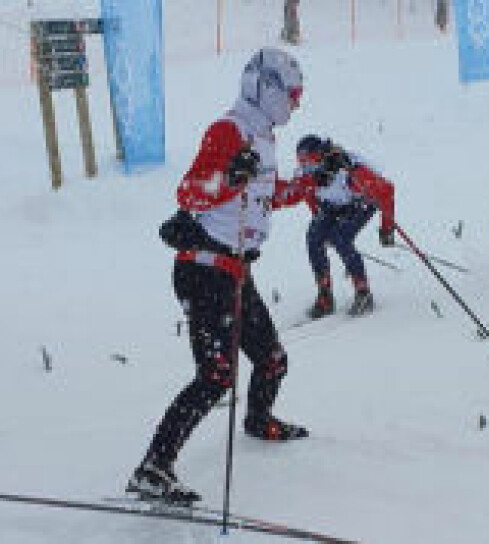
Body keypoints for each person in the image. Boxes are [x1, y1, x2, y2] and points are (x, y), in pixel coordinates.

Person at [127, 47, 309, 504]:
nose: (296, 103)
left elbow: (266, 194)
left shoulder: (264, 136)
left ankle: (257, 419)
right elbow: (191, 190)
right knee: (216, 375)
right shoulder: (230, 129)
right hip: (205, 270)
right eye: (292, 94)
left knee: (272, 358)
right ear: (265, 89)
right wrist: (230, 176)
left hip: (236, 271)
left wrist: (308, 184)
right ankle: (154, 466)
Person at [291, 135, 396, 318]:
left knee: (341, 238)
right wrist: (322, 228)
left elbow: (386, 191)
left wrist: (387, 228)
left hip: (361, 202)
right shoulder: (307, 176)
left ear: (321, 158)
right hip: (331, 205)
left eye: (311, 164)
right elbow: (310, 197)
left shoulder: (348, 171)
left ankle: (363, 293)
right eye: (303, 164)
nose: (307, 170)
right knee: (314, 237)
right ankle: (325, 295)